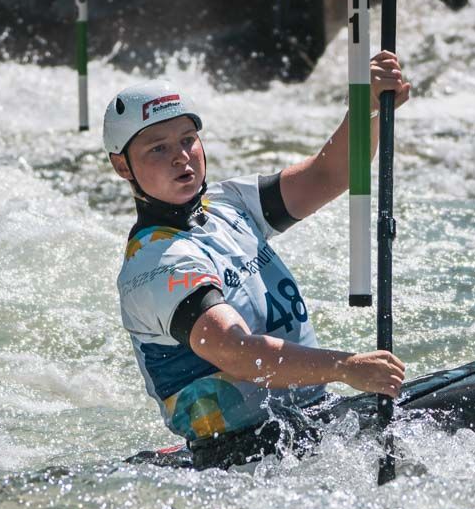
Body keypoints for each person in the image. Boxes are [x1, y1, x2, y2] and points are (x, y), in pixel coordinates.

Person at [105, 51, 411, 470]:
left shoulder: (230, 205)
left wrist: (368, 108)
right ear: (123, 166)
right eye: (157, 149)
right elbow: (236, 352)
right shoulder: (157, 263)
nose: (181, 157)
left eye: (187, 139)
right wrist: (345, 367)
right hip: (245, 458)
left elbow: (329, 175)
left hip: (308, 422)